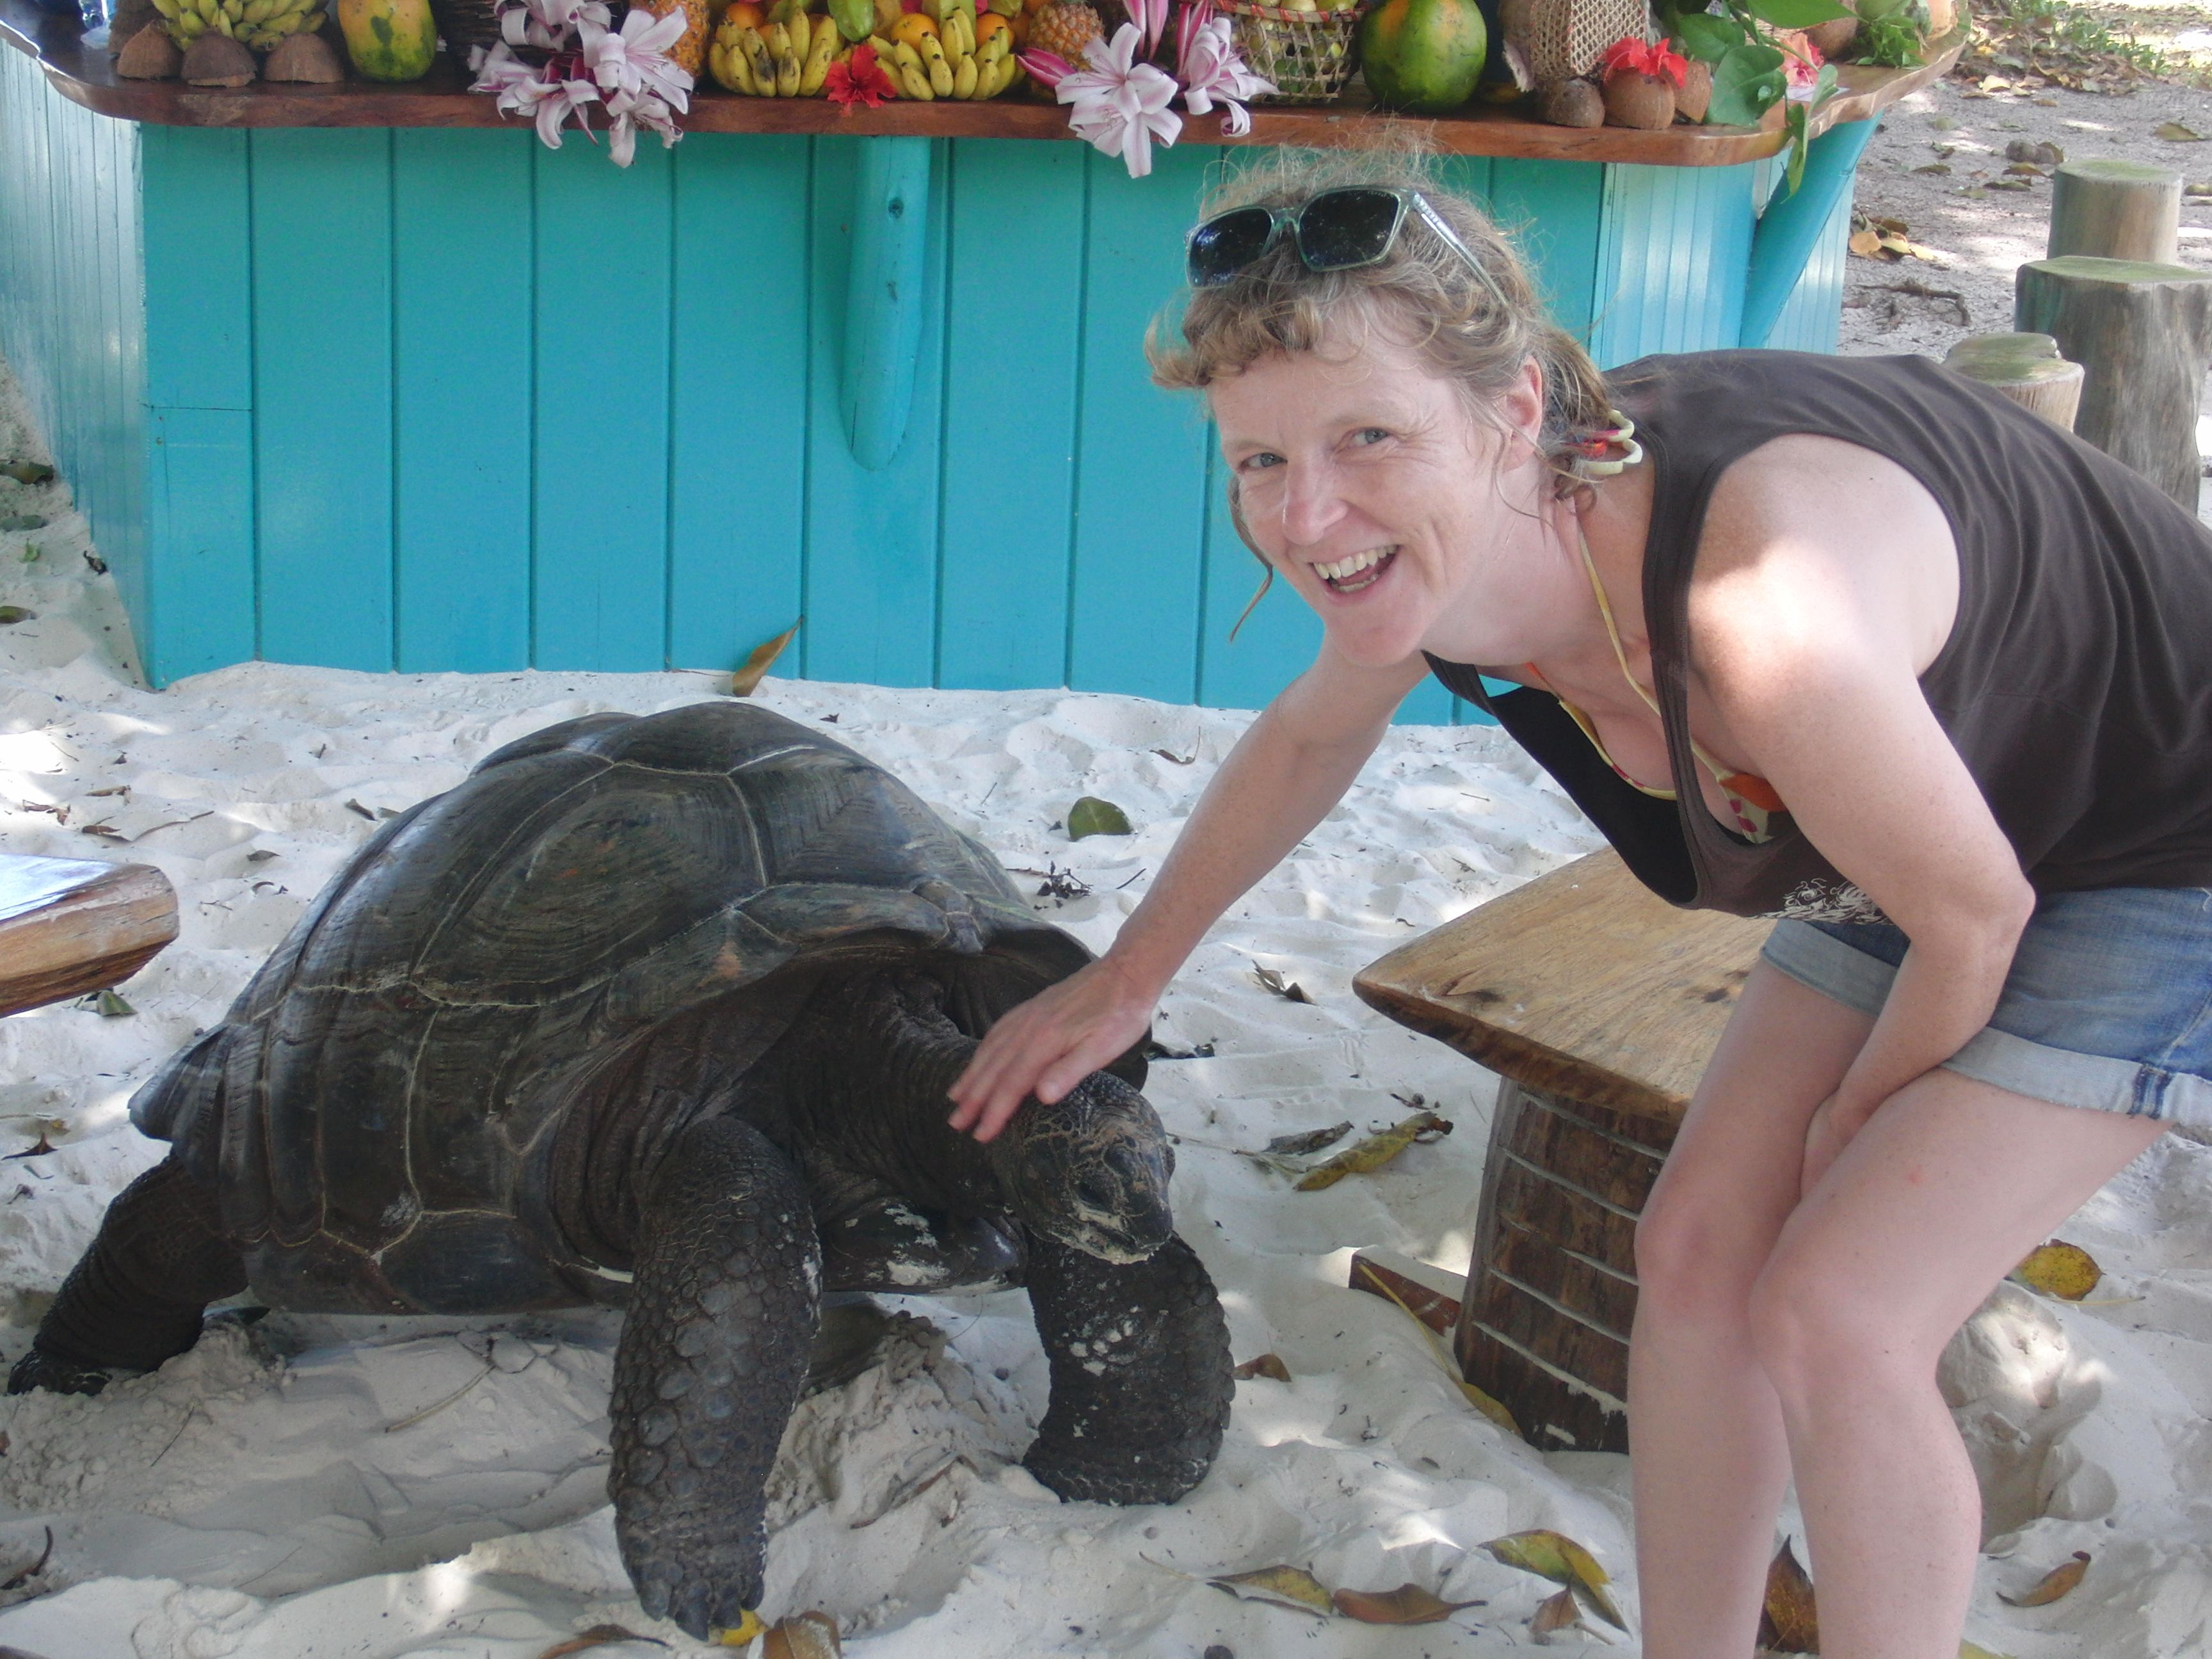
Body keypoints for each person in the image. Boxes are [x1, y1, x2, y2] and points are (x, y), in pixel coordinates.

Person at [944, 150, 2212, 1659]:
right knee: (1691, 1258)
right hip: (1927, 808)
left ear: (1519, 416)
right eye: (1259, 462)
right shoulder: (1452, 558)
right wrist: (1129, 977)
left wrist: (1848, 1130)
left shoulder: (1753, 616)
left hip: (2151, 837)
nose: (1309, 516)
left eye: (1368, 438)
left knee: (1836, 1309)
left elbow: (1975, 916)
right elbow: (1310, 736)